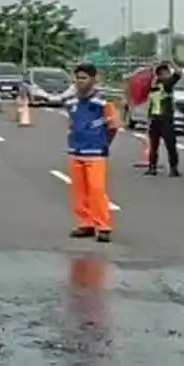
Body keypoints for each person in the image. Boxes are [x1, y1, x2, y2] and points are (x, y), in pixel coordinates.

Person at [65, 63, 120, 243]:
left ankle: (103, 226)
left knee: (96, 189)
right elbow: (72, 123)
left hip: (95, 152)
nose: (80, 82)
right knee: (79, 191)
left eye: (84, 78)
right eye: (77, 78)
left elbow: (113, 126)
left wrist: (104, 144)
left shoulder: (102, 103)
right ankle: (85, 223)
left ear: (93, 80)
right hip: (75, 151)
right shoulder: (71, 103)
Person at [145, 61, 182, 177]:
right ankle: (152, 167)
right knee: (153, 145)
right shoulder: (153, 86)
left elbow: (178, 73)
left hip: (166, 119)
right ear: (160, 75)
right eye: (165, 73)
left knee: (170, 144)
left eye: (168, 73)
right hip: (155, 119)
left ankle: (173, 168)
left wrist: (171, 63)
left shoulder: (168, 85)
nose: (168, 75)